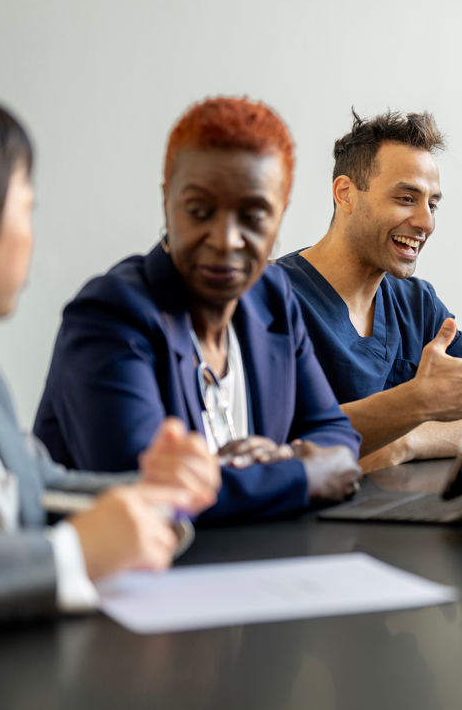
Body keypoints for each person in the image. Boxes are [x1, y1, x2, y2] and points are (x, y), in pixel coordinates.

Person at [0, 81, 220, 631]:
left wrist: (145, 496)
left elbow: (32, 483)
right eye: (27, 209)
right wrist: (68, 556)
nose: (31, 236)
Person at [34, 96, 361, 523]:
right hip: (131, 579)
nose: (226, 239)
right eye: (200, 211)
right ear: (167, 202)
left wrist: (284, 455)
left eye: (254, 214)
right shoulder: (110, 316)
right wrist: (299, 475)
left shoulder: (273, 296)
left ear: (280, 216)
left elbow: (333, 433)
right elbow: (145, 491)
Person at [276, 110, 462, 472]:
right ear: (345, 194)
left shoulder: (418, 304)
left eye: (432, 204)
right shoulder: (270, 298)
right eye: (406, 199)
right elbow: (276, 435)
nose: (425, 221)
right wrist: (417, 405)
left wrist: (405, 442)